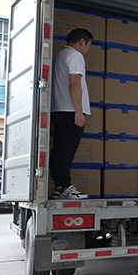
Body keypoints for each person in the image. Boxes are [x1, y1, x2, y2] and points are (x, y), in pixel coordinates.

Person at [50, 28, 93, 199]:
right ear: (82, 41)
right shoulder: (76, 56)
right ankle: (65, 187)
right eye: (89, 45)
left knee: (59, 149)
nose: (88, 49)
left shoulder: (60, 56)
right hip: (70, 111)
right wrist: (79, 111)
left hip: (59, 110)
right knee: (66, 151)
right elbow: (75, 84)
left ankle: (59, 186)